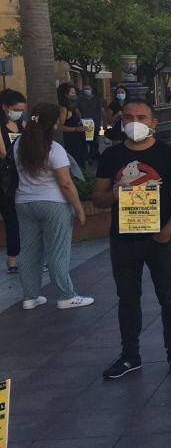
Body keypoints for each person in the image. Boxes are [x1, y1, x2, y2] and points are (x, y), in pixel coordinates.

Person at [94, 98, 171, 379]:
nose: (134, 122)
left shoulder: (169, 155)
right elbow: (98, 198)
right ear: (121, 121)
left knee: (169, 297)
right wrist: (112, 195)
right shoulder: (111, 157)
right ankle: (129, 356)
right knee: (127, 298)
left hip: (159, 239)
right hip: (123, 239)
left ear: (153, 122)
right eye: (128, 117)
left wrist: (167, 230)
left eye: (141, 116)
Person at [11, 103, 93, 311]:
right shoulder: (54, 149)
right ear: (53, 124)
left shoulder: (19, 144)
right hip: (53, 204)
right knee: (57, 251)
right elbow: (66, 183)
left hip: (24, 202)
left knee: (28, 251)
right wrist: (79, 209)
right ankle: (66, 295)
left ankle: (30, 297)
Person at [1, 89, 26, 274]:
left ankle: (23, 256)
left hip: (22, 178)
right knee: (10, 218)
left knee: (21, 220)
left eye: (22, 109)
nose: (19, 112)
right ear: (5, 107)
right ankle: (12, 258)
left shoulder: (22, 125)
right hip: (5, 180)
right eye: (16, 109)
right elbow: (5, 153)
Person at [57, 83, 88, 170]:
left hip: (79, 140)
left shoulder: (73, 107)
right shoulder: (64, 109)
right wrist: (76, 129)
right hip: (71, 141)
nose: (75, 95)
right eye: (72, 93)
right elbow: (60, 127)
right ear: (66, 95)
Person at [76, 84, 102, 163]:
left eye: (88, 88)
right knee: (88, 140)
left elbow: (102, 110)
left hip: (95, 123)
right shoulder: (80, 100)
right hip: (85, 123)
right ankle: (95, 155)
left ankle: (91, 156)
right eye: (84, 89)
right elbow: (77, 109)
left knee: (94, 140)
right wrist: (79, 118)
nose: (86, 90)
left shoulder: (97, 99)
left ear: (91, 90)